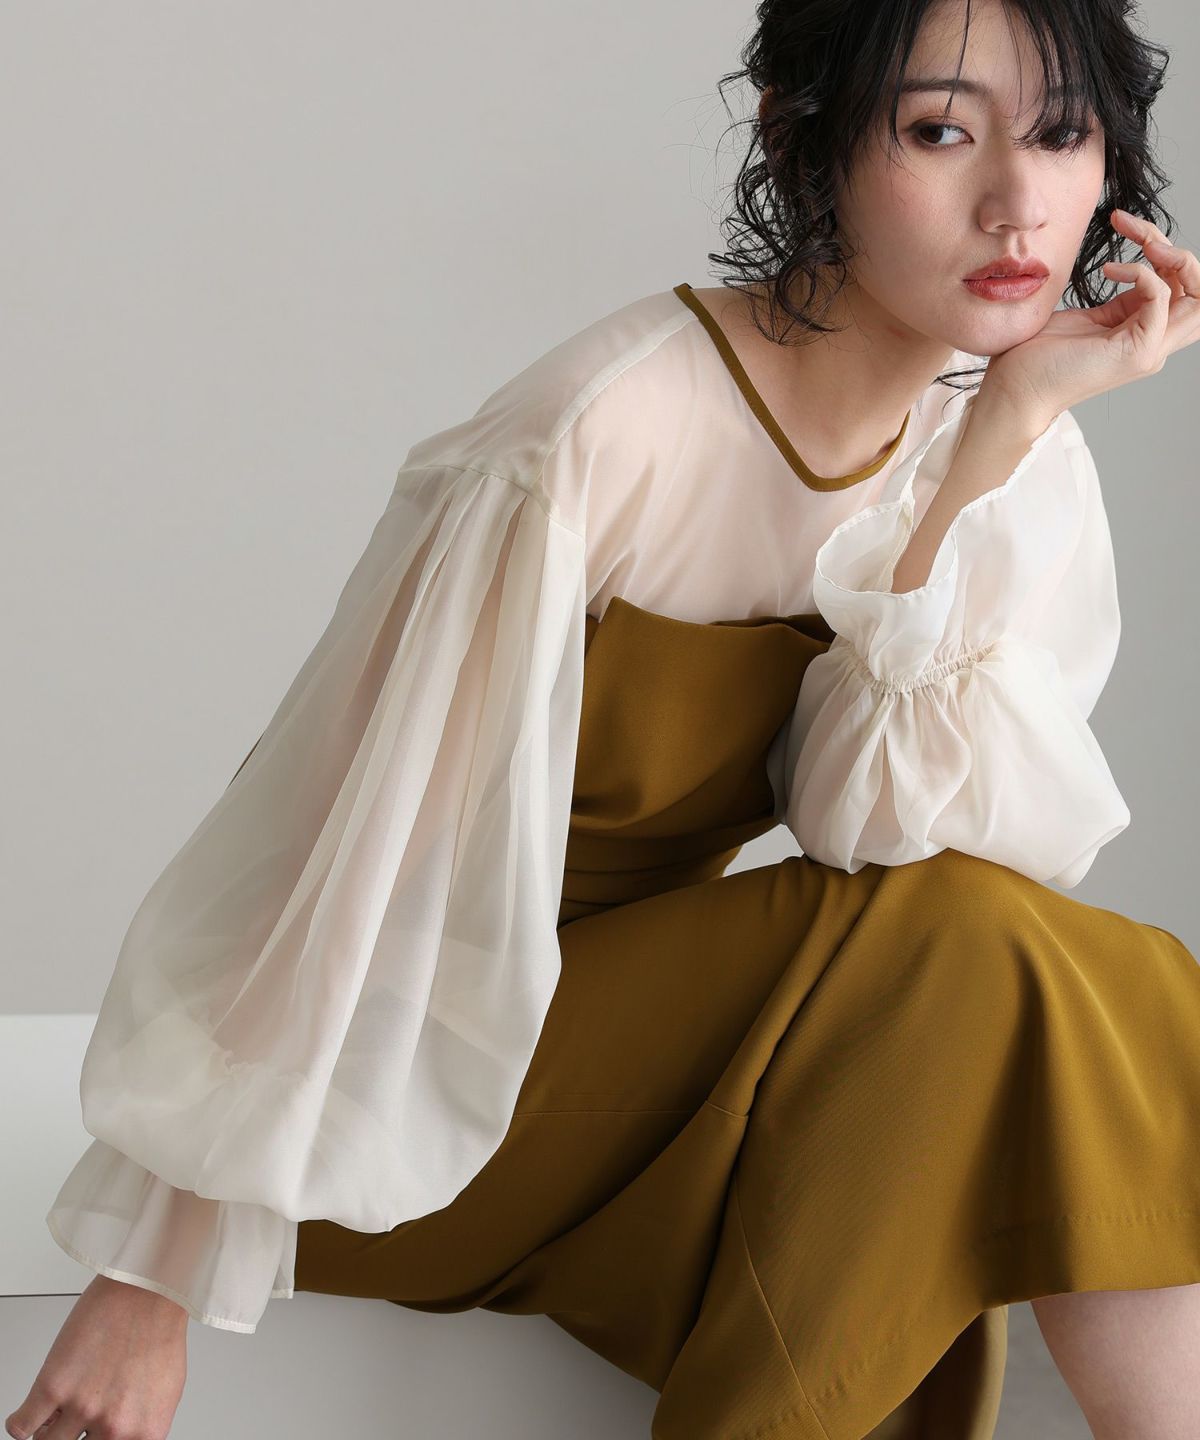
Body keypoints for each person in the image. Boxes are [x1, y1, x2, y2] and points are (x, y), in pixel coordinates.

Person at [10, 0, 1200, 1436]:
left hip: (667, 1100)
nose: (1017, 203)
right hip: (408, 1105)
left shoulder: (1008, 445)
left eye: (1062, 135)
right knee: (993, 948)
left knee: (1022, 957)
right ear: (803, 139)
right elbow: (329, 852)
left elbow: (885, 831)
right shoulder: (599, 432)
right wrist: (147, 1271)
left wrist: (992, 444)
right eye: (940, 131)